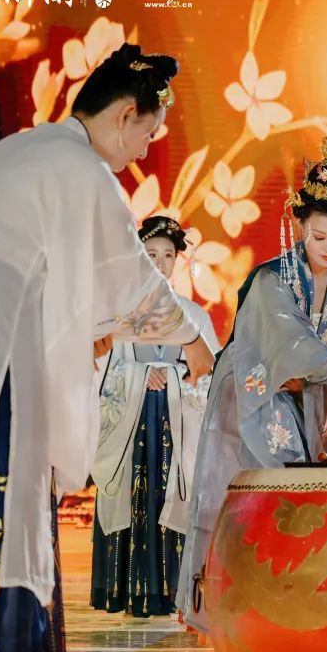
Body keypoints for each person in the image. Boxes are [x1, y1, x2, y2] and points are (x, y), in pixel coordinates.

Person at [0, 44, 215, 652]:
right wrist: (192, 340)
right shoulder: (82, 170)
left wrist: (85, 334)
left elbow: (58, 279)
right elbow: (129, 281)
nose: (144, 151)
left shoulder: (17, 150)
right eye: (148, 133)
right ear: (124, 115)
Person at [176, 125, 327, 633]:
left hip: (306, 395)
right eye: (319, 236)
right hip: (252, 394)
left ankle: (289, 606)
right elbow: (299, 349)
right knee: (249, 495)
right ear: (299, 224)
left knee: (302, 491)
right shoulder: (272, 280)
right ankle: (234, 608)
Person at [90, 216, 220, 617]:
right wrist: (141, 375)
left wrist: (176, 377)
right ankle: (128, 591)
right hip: (131, 432)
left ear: (177, 261)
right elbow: (99, 375)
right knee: (133, 500)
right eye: (150, 255)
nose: (160, 264)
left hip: (176, 433)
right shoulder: (116, 316)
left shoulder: (194, 317)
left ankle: (173, 593)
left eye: (167, 256)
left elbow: (212, 379)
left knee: (172, 500)